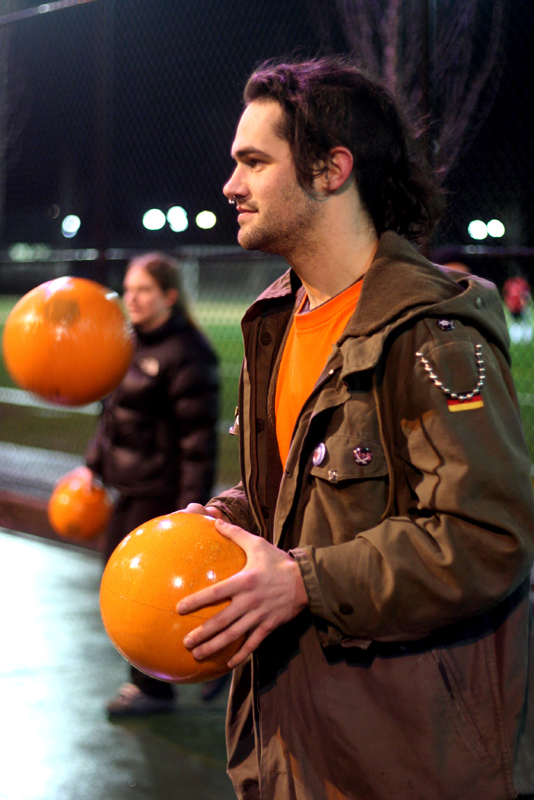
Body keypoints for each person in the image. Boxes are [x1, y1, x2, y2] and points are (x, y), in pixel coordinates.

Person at [176, 57, 534, 800]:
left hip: (411, 760)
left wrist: (304, 581)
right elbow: (306, 487)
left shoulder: (429, 331)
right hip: (297, 747)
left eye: (254, 162)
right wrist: (228, 519)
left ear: (332, 169)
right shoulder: (276, 320)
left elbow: (488, 537)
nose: (231, 185)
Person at [80, 251, 223, 715]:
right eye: (128, 289)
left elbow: (198, 444)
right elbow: (112, 417)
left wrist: (190, 509)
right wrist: (91, 466)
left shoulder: (189, 354)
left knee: (146, 592)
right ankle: (177, 674)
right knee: (119, 581)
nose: (132, 299)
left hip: (161, 494)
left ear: (170, 296)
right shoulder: (127, 344)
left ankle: (154, 688)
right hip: (129, 486)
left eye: (144, 290)